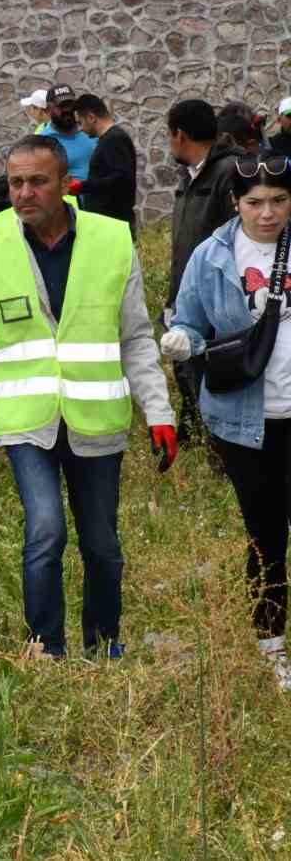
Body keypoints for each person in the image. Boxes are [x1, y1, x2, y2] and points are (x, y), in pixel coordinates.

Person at [0, 135, 175, 659]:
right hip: (27, 420)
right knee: (44, 531)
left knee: (101, 544)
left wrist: (158, 411)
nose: (23, 193)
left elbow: (136, 336)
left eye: (36, 181)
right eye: (16, 181)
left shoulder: (113, 242)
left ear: (66, 184)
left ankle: (105, 642)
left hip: (97, 419)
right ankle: (45, 647)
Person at [162, 153, 291, 686]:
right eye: (255, 202)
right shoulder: (211, 257)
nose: (267, 213)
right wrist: (182, 341)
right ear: (235, 202)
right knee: (265, 535)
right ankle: (273, 647)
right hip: (244, 420)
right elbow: (191, 323)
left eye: (279, 201)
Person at [165, 99, 240, 441]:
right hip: (187, 300)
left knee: (219, 384)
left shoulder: (231, 173)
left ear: (179, 135)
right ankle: (198, 435)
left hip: (221, 308)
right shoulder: (189, 177)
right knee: (189, 378)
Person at [71, 94, 138, 232]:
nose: (80, 129)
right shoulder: (109, 139)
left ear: (91, 117)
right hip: (107, 222)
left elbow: (121, 179)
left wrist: (81, 186)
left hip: (113, 224)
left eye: (80, 123)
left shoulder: (114, 140)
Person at [43, 84, 98, 180]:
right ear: (48, 110)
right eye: (61, 106)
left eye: (70, 105)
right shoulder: (43, 141)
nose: (67, 110)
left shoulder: (92, 131)